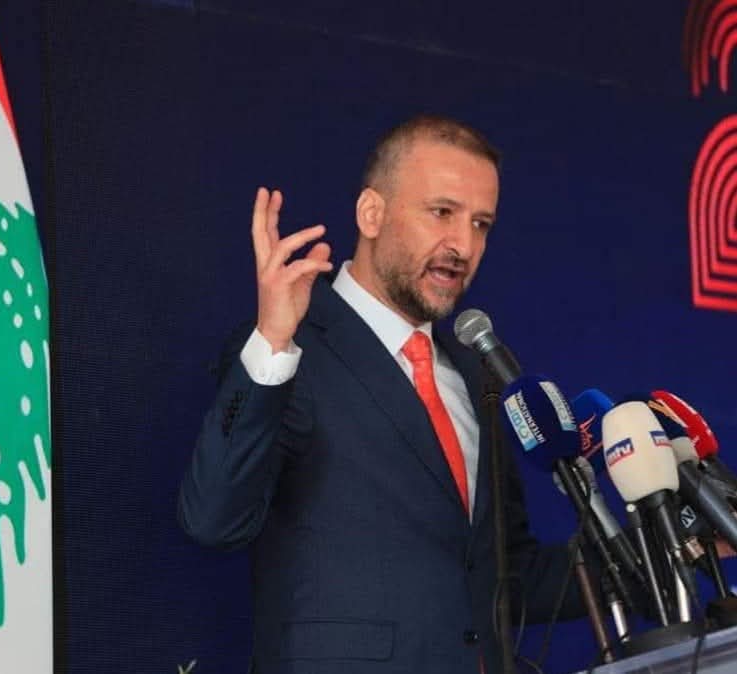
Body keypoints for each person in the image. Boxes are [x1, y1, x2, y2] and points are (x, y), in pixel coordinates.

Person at [179, 115, 585, 673]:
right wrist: (273, 341)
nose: (463, 245)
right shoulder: (289, 350)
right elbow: (213, 520)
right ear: (371, 213)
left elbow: (501, 576)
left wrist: (665, 552)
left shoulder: (476, 373)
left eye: (481, 223)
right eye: (441, 212)